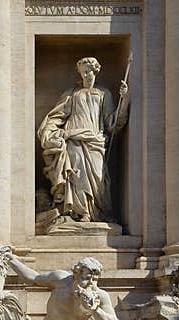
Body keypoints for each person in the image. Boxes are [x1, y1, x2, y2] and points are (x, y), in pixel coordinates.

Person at [38, 57, 128, 223]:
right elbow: (58, 115)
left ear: (95, 71)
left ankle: (97, 213)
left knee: (98, 178)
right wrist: (49, 130)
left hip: (95, 140)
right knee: (76, 175)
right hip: (74, 138)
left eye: (88, 71)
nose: (86, 75)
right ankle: (80, 213)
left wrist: (124, 101)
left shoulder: (103, 94)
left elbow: (112, 122)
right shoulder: (72, 93)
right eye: (83, 72)